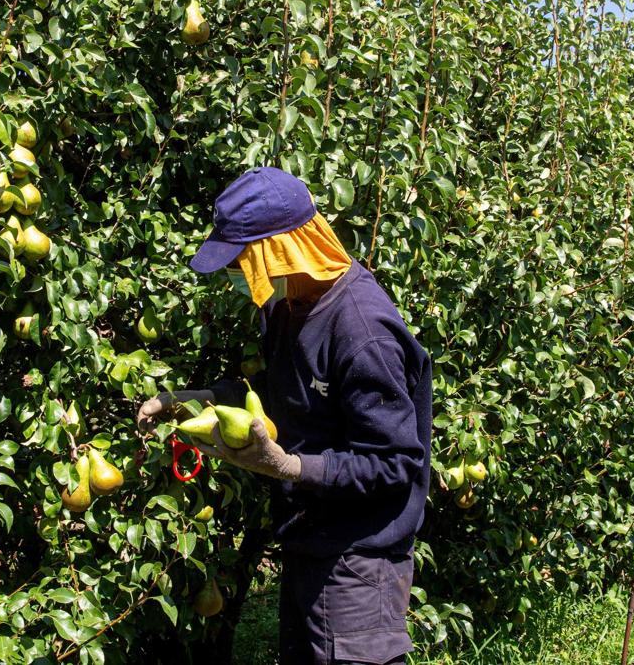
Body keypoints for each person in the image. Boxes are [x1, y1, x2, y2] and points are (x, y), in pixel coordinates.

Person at [137, 167, 432, 664]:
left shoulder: (363, 331)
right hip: (308, 544)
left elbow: (396, 462)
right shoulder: (287, 305)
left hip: (359, 560)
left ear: (280, 250)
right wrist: (197, 397)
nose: (239, 275)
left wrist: (291, 467)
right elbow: (277, 392)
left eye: (243, 260)